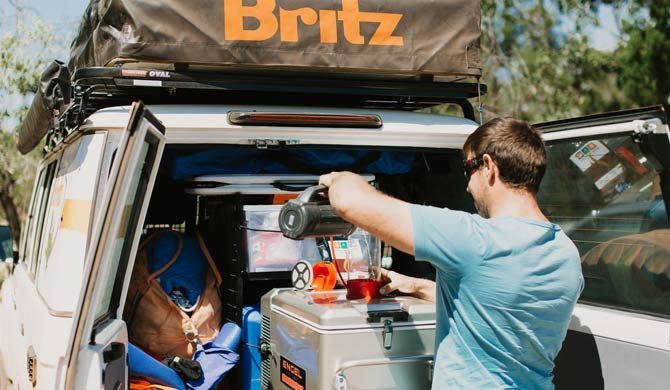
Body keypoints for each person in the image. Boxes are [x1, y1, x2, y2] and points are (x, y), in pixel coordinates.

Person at [319, 117, 584, 389]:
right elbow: (495, 304)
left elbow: (350, 203)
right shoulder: (566, 252)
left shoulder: (474, 238)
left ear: (489, 167)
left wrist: (338, 178)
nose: (467, 185)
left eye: (468, 169)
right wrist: (418, 286)